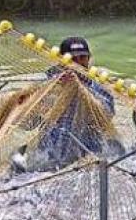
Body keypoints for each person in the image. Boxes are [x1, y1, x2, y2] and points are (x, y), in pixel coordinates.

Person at [32, 36, 117, 170]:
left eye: (82, 58)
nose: (78, 64)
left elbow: (106, 117)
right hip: (49, 155)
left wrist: (81, 90)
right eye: (72, 59)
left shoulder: (99, 86)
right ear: (61, 61)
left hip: (87, 154)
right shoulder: (46, 85)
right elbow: (28, 124)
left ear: (89, 58)